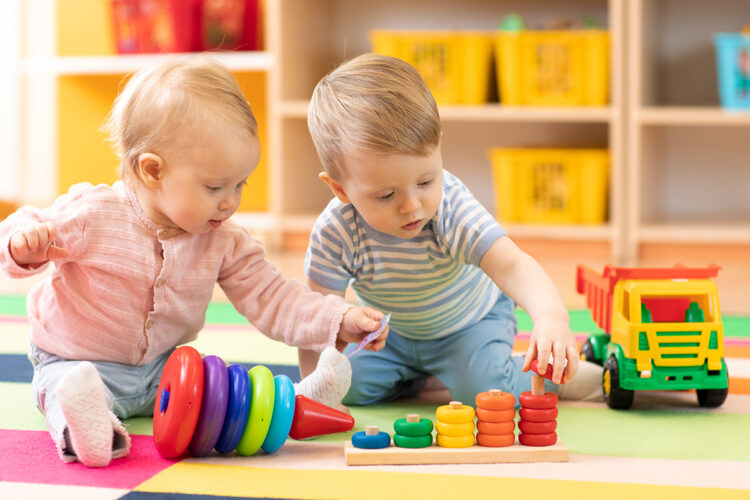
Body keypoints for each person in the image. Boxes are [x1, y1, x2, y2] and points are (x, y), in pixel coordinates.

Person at [0, 57, 387, 468]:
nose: (231, 201)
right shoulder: (93, 214)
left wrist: (336, 320)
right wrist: (22, 245)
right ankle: (92, 433)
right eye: (215, 186)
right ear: (152, 171)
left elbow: (272, 295)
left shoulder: (223, 238)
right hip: (76, 361)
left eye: (240, 184)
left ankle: (300, 403)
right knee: (64, 390)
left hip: (163, 372)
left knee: (225, 399)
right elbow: (24, 229)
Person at [300, 53, 603, 408]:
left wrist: (551, 317)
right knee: (344, 386)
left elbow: (514, 266)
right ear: (340, 190)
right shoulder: (335, 232)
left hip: (470, 325)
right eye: (386, 194)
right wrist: (315, 389)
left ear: (438, 146)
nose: (412, 205)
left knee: (487, 395)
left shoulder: (452, 209)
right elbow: (318, 318)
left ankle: (558, 380)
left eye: (426, 180)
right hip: (391, 335)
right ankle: (416, 377)